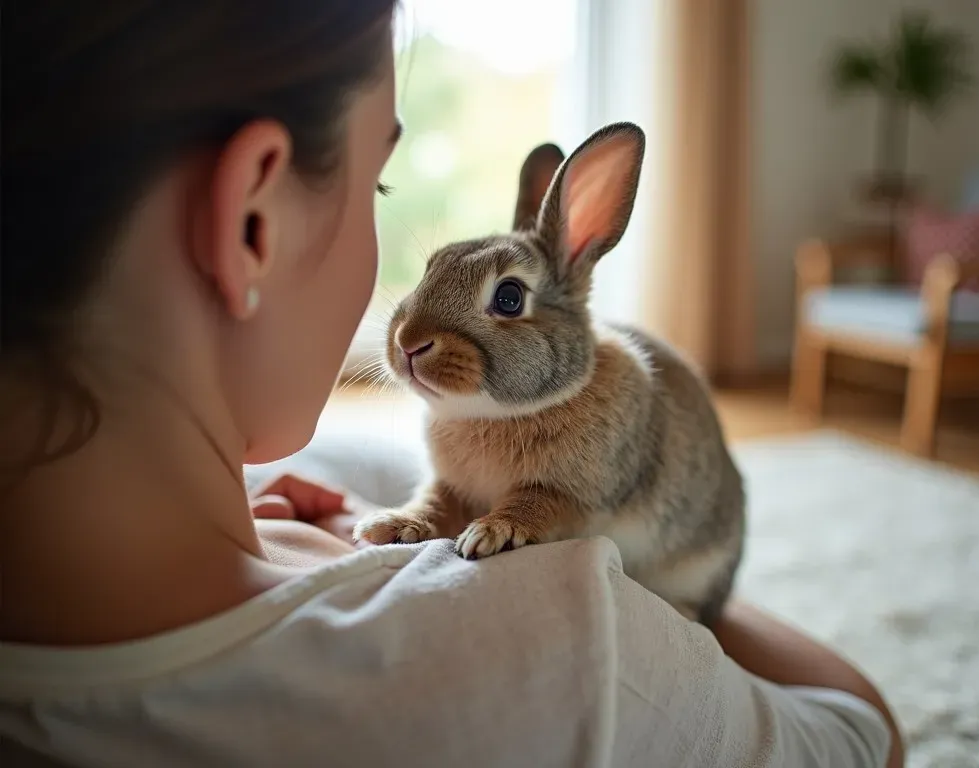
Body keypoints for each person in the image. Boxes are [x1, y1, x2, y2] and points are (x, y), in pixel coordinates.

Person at [0, 2, 904, 767]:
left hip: (682, 543)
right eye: (379, 187)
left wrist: (253, 524)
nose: (410, 333)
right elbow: (863, 734)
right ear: (252, 221)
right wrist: (652, 623)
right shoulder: (580, 641)